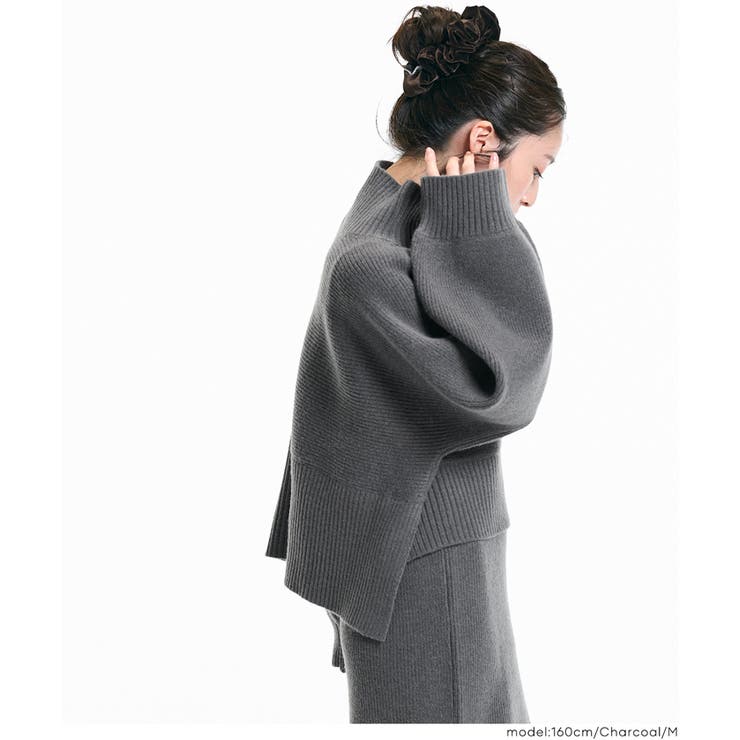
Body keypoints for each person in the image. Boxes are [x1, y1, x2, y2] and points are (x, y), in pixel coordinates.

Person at [265, 4, 565, 723]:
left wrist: (465, 214)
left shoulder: (398, 221)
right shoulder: (375, 261)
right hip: (425, 563)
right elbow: (505, 386)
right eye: (537, 169)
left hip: (430, 549)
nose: (530, 196)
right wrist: (477, 217)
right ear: (484, 140)